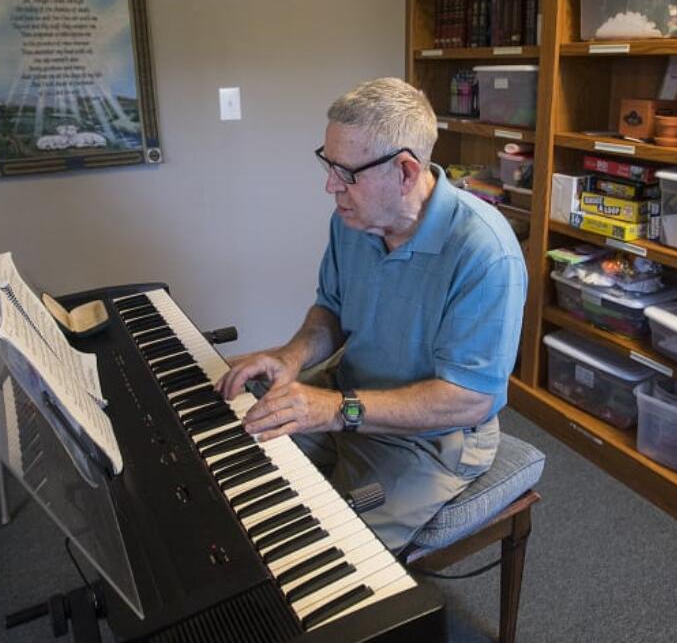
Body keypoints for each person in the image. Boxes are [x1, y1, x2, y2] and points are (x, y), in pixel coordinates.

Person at [216, 77, 527, 551]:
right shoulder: (355, 220)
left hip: (432, 438)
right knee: (234, 457)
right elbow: (331, 311)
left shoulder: (485, 252)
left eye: (345, 172)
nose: (329, 185)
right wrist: (292, 357)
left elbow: (469, 400)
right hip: (351, 393)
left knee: (328, 547)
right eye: (327, 163)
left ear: (404, 171)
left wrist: (339, 411)